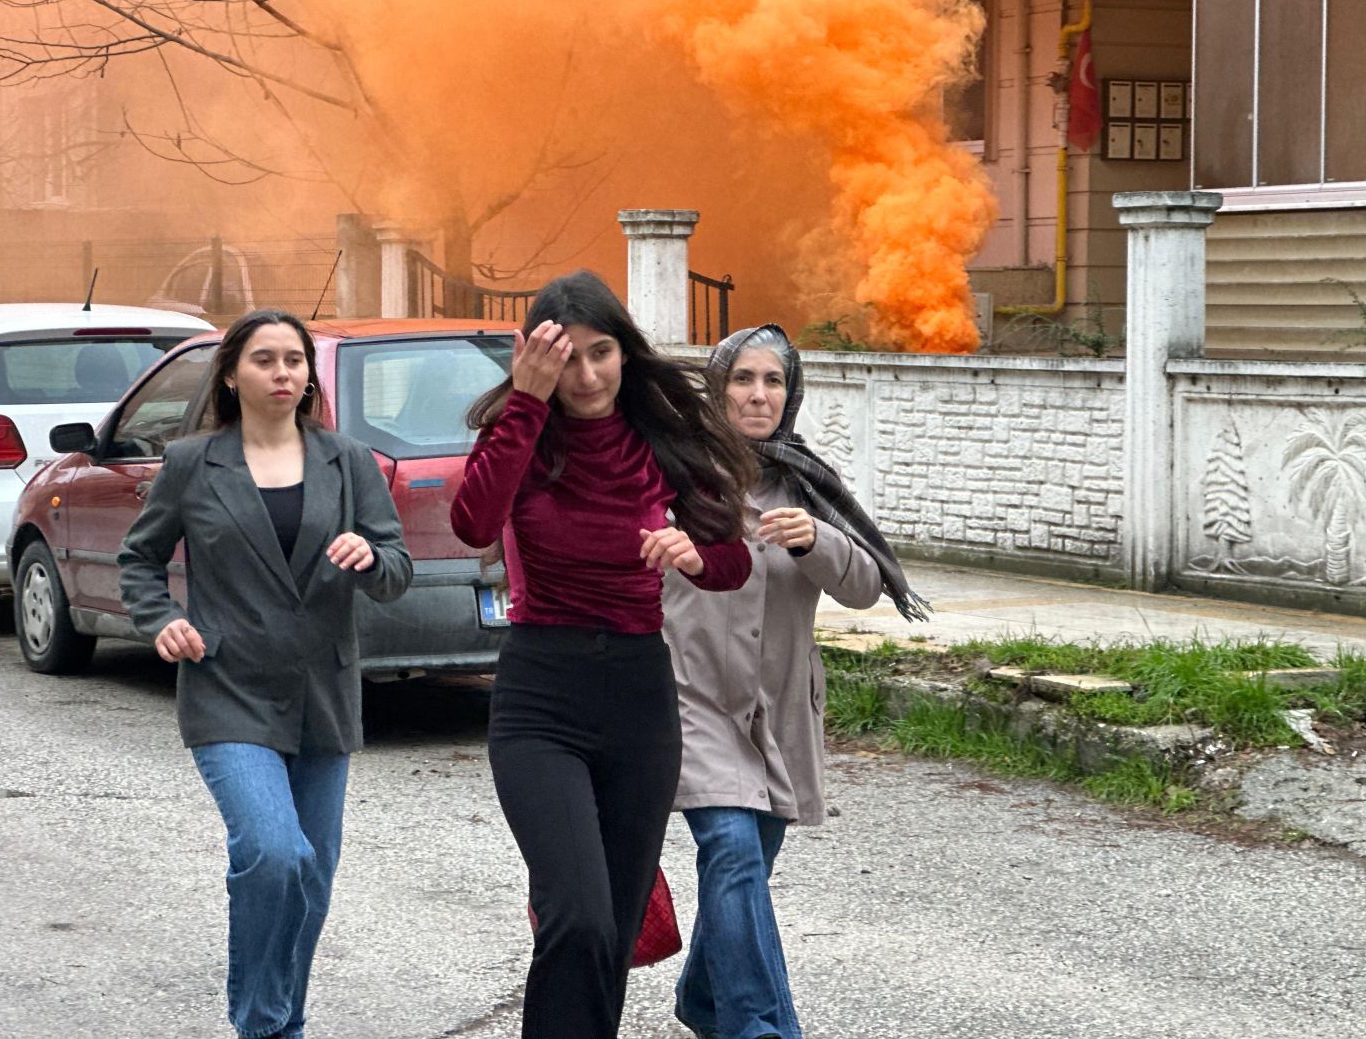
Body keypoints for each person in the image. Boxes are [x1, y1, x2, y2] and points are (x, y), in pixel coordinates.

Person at [450, 270, 757, 1039]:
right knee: (577, 917)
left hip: (638, 699)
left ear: (625, 352)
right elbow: (471, 521)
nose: (585, 376)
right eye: (568, 359)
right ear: (535, 358)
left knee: (612, 934)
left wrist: (691, 552)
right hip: (539, 697)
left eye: (601, 353)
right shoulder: (520, 433)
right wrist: (525, 401)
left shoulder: (660, 439)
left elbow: (732, 563)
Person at [119, 308, 412, 1039]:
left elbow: (397, 569)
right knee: (274, 854)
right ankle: (261, 1024)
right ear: (232, 373)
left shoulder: (348, 461)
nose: (284, 373)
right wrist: (163, 622)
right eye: (266, 360)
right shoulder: (193, 463)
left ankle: (285, 1022)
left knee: (312, 879)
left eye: (294, 360)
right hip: (228, 688)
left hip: (324, 692)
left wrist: (371, 557)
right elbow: (139, 560)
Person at [662, 323, 929, 1039]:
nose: (758, 395)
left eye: (772, 381)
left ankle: (703, 997)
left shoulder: (807, 481)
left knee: (746, 871)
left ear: (791, 392)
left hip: (779, 710)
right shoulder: (674, 475)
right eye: (743, 380)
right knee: (732, 850)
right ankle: (763, 1029)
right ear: (718, 391)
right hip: (694, 702)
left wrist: (821, 540)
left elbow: (868, 586)